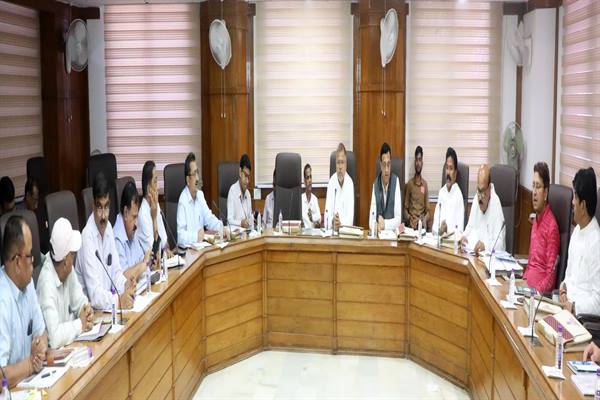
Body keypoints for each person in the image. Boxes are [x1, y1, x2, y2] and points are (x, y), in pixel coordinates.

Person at [75, 172, 136, 311]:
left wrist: (126, 285)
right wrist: (119, 301)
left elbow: (115, 273)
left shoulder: (108, 228)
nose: (103, 216)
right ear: (93, 206)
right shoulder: (87, 237)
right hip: (91, 313)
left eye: (106, 207)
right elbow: (95, 296)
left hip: (107, 309)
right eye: (99, 207)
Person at [0, 216, 47, 387]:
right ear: (18, 262)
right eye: (30, 255)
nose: (33, 261)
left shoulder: (28, 284)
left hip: (30, 385)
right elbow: (0, 377)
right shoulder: (2, 301)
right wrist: (30, 364)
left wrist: (41, 345)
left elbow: (42, 332)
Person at [36, 218, 94, 349]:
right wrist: (80, 324)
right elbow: (54, 338)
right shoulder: (46, 283)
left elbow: (79, 300)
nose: (73, 258)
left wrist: (86, 311)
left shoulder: (68, 269)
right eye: (72, 255)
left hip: (71, 347)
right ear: (66, 260)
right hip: (53, 356)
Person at [559, 167, 600, 315]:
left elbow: (598, 302)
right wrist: (563, 289)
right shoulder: (576, 231)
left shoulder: (596, 243)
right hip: (564, 310)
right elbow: (568, 276)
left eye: (575, 197)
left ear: (582, 205)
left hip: (581, 320)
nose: (572, 202)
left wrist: (574, 307)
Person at [177, 152, 227, 247]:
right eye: (194, 174)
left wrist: (222, 228)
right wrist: (196, 236)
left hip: (202, 249)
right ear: (188, 179)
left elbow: (209, 219)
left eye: (197, 173)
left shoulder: (200, 195)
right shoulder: (182, 201)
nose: (197, 178)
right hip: (189, 251)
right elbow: (180, 237)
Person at [523, 162, 560, 293]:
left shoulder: (552, 228)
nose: (533, 192)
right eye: (533, 186)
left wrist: (533, 294)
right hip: (525, 289)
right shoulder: (535, 221)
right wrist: (522, 283)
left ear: (545, 193)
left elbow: (550, 279)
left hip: (537, 296)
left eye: (538, 187)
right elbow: (530, 264)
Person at [460, 164, 505, 255]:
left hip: (490, 259)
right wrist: (463, 237)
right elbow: (469, 227)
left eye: (483, 191)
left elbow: (500, 245)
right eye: (478, 190)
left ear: (489, 188)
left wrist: (485, 246)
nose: (480, 197)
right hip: (474, 256)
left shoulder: (496, 204)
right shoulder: (476, 198)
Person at [114, 181, 150, 281]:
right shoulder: (116, 238)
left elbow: (142, 261)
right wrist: (143, 264)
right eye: (134, 217)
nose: (136, 223)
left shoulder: (132, 231)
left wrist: (147, 263)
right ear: (125, 213)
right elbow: (123, 278)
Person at [136, 160, 170, 256]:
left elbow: (164, 240)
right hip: (150, 263)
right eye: (155, 181)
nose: (158, 187)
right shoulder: (142, 215)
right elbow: (155, 252)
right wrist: (154, 218)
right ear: (148, 188)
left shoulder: (155, 204)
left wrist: (167, 249)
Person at [369, 142, 403, 232]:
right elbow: (371, 218)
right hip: (379, 233)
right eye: (384, 165)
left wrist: (385, 224)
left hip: (392, 234)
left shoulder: (396, 181)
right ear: (380, 165)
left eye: (389, 164)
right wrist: (375, 226)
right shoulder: (375, 184)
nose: (387, 169)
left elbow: (398, 219)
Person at [432, 147, 464, 236]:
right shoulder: (441, 192)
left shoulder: (458, 195)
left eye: (451, 168)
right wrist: (439, 230)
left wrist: (447, 231)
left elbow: (460, 231)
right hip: (438, 240)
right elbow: (434, 226)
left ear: (455, 173)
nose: (448, 173)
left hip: (451, 243)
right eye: (447, 168)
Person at [325, 143, 354, 231]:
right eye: (338, 162)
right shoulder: (331, 182)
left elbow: (350, 219)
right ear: (335, 164)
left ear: (346, 164)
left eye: (342, 162)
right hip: (332, 231)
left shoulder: (350, 183)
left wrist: (340, 223)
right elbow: (326, 215)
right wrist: (332, 222)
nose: (340, 167)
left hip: (345, 232)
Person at [404, 146, 429, 230]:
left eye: (420, 160)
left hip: (421, 226)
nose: (418, 163)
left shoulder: (425, 185)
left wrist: (424, 220)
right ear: (415, 162)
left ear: (422, 162)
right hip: (411, 226)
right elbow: (405, 210)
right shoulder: (409, 184)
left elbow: (428, 212)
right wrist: (410, 220)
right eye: (416, 160)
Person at [227, 154, 254, 229]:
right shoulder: (232, 191)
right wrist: (240, 223)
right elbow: (229, 220)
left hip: (247, 233)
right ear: (240, 172)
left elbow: (249, 218)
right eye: (245, 176)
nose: (247, 181)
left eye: (248, 177)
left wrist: (252, 220)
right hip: (235, 234)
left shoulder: (248, 194)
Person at [302, 163, 321, 229]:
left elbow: (319, 220)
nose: (310, 180)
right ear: (304, 181)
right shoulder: (300, 200)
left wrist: (315, 221)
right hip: (303, 233)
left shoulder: (315, 199)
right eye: (307, 178)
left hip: (313, 233)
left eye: (311, 177)